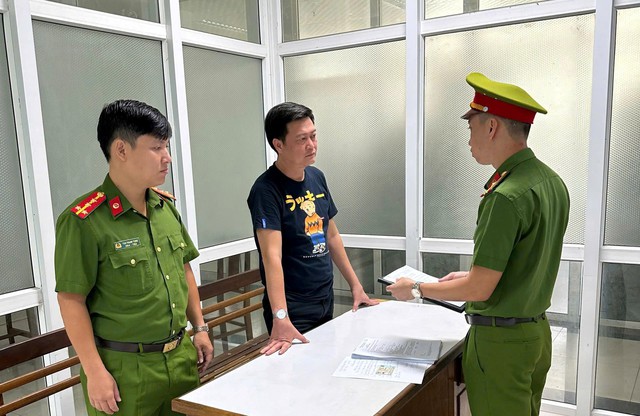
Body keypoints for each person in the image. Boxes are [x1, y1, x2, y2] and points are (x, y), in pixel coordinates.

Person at [387, 73, 570, 416]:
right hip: (535, 335)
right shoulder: (550, 181)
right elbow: (526, 262)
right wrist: (470, 275)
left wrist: (415, 288)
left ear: (492, 127)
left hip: (501, 344)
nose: (469, 140)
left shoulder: (505, 196)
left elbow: (480, 289)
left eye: (471, 128)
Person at [55, 99, 213, 416]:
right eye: (156, 147)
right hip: (124, 372)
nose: (167, 158)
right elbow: (71, 300)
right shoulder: (84, 220)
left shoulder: (164, 208)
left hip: (180, 359)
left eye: (166, 146)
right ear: (121, 150)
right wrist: (94, 372)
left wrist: (199, 327)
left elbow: (184, 269)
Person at [247, 102, 378, 355]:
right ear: (278, 144)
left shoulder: (317, 177)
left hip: (324, 296)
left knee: (324, 361)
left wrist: (356, 285)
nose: (312, 145)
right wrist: (280, 316)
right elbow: (271, 257)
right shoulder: (266, 190)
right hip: (293, 306)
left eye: (314, 136)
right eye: (302, 139)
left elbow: (332, 235)